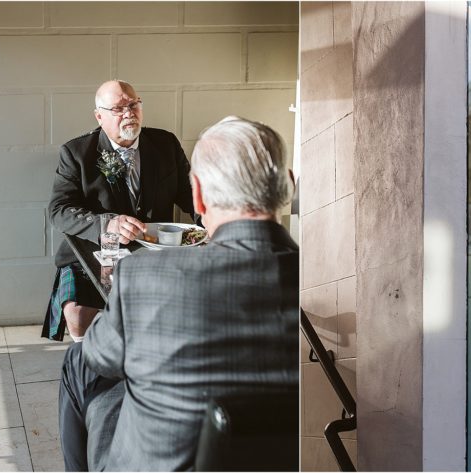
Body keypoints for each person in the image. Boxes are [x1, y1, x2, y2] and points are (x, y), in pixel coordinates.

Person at [57, 116, 298, 471]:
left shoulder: (141, 276)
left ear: (197, 196)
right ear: (288, 186)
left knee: (79, 362)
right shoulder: (316, 283)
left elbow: (100, 360)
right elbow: (60, 209)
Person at [44, 80, 196, 341]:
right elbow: (59, 210)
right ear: (99, 116)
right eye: (118, 108)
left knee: (181, 308)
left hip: (156, 251)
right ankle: (89, 365)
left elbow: (191, 195)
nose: (128, 113)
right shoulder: (77, 152)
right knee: (78, 316)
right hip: (97, 251)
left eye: (133, 104)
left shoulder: (165, 144)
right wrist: (106, 225)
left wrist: (215, 223)